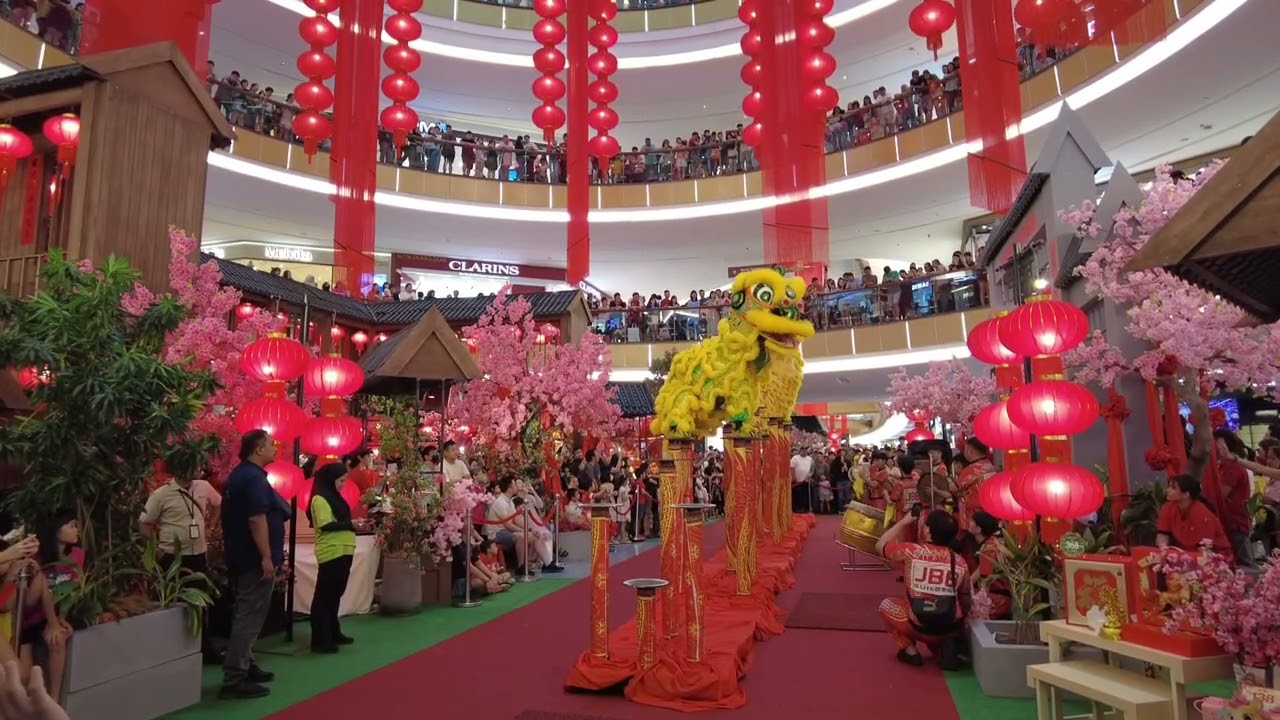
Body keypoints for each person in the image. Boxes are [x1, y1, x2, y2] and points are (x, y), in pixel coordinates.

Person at [219, 430, 286, 699]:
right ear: (258, 449)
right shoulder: (253, 478)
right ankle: (235, 676)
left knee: (247, 612)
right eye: (271, 445)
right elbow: (256, 518)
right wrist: (266, 555)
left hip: (241, 555)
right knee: (249, 614)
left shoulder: (240, 475)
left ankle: (247, 664)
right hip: (252, 558)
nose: (275, 448)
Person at [875, 509, 970, 669]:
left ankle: (909, 650)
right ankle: (946, 645)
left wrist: (904, 522)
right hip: (949, 627)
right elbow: (966, 599)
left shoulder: (912, 552)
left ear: (927, 530)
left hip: (917, 625)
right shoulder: (960, 561)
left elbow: (879, 545)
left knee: (886, 605)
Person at [306, 462, 356, 654]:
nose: (343, 484)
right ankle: (320, 637)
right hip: (331, 550)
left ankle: (333, 631)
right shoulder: (319, 499)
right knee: (325, 596)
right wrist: (350, 524)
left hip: (344, 548)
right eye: (341, 480)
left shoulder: (334, 497)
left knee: (335, 594)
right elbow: (325, 525)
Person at [1156, 473, 1233, 559]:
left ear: (1186, 494)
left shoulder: (1202, 513)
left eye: (1173, 488)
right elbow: (1162, 534)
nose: (1167, 490)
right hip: (1183, 554)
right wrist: (1163, 549)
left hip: (1214, 555)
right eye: (1169, 487)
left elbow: (1205, 547)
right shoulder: (1167, 507)